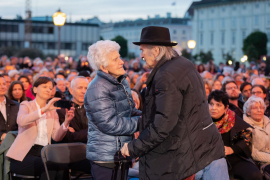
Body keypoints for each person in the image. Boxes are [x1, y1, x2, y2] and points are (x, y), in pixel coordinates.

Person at [121, 26, 225, 180]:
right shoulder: (182, 63)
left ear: (156, 51)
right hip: (189, 148)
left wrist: (134, 147)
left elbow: (164, 123)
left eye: (143, 50)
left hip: (180, 153)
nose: (141, 55)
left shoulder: (166, 75)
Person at [85, 40, 141, 180]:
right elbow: (110, 124)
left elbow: (130, 111)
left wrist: (152, 116)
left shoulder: (122, 81)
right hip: (105, 158)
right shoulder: (97, 88)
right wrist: (142, 121)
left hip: (121, 154)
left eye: (119, 57)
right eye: (115, 59)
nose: (121, 62)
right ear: (104, 67)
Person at [7, 77, 75, 180]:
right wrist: (43, 110)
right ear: (34, 89)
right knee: (49, 166)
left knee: (63, 167)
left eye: (50, 88)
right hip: (24, 155)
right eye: (44, 87)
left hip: (44, 153)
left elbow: (56, 137)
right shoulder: (26, 105)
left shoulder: (52, 111)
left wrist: (66, 122)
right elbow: (21, 121)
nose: (48, 90)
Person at [206, 90, 262, 180]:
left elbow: (247, 140)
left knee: (254, 175)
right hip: (211, 161)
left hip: (235, 159)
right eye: (211, 104)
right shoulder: (203, 122)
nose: (213, 108)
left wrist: (231, 149)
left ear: (226, 107)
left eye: (218, 105)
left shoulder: (233, 119)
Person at [243, 96, 270, 179]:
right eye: (255, 108)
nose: (259, 110)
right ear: (248, 112)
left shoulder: (268, 122)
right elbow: (252, 153)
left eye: (261, 107)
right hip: (261, 163)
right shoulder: (244, 127)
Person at [57, 76, 89, 143]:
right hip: (71, 151)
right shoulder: (62, 110)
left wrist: (75, 134)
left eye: (86, 88)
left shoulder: (95, 109)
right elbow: (67, 137)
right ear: (71, 91)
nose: (83, 91)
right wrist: (92, 131)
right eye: (80, 88)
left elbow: (101, 133)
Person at [0, 75, 19, 144]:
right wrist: (2, 136)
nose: (2, 87)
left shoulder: (16, 105)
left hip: (14, 145)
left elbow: (21, 126)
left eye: (4, 84)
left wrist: (10, 138)